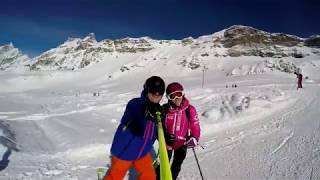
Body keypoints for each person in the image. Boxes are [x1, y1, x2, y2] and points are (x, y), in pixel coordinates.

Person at [104, 76, 165, 180]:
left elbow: (156, 134)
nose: (156, 95)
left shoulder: (157, 112)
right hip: (124, 152)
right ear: (147, 90)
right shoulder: (135, 103)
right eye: (153, 91)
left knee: (149, 176)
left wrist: (167, 138)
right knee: (115, 177)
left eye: (159, 92)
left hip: (142, 153)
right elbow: (138, 113)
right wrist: (146, 111)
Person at [156, 82, 201, 180]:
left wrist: (194, 138)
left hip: (182, 144)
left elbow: (195, 126)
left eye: (179, 94)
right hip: (167, 145)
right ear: (168, 98)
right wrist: (164, 136)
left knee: (176, 166)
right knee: (162, 167)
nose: (177, 98)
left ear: (183, 94)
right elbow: (158, 127)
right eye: (173, 96)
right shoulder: (165, 110)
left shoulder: (189, 109)